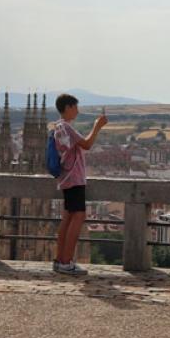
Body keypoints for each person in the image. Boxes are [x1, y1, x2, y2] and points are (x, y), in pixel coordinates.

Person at [51, 94, 107, 276]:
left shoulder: (57, 127)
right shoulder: (67, 127)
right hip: (74, 178)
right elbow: (87, 144)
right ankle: (66, 263)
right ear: (68, 107)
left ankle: (60, 260)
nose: (78, 110)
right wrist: (97, 127)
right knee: (78, 217)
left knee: (67, 218)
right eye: (76, 107)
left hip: (65, 178)